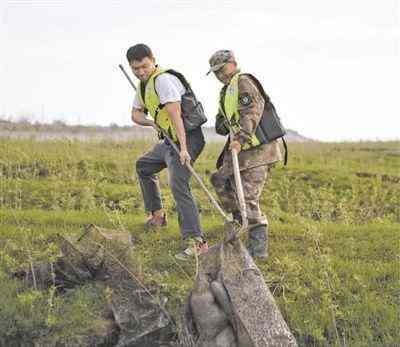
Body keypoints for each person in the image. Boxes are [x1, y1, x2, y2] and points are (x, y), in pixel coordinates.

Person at [127, 43, 207, 260]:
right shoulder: (144, 85)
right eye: (135, 69)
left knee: (178, 183)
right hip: (169, 141)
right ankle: (158, 215)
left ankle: (196, 242)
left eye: (144, 66)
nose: (140, 72)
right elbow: (135, 114)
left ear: (153, 60)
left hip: (187, 138)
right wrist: (151, 123)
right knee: (143, 166)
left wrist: (183, 148)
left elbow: (176, 116)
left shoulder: (163, 80)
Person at [207, 50, 283, 260]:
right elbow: (222, 125)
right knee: (220, 179)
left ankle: (259, 252)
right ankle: (239, 223)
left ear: (233, 63)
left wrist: (239, 140)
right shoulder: (226, 91)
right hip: (241, 152)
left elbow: (251, 113)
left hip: (258, 152)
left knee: (248, 198)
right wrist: (223, 123)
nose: (220, 75)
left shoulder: (244, 82)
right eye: (215, 73)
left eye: (222, 69)